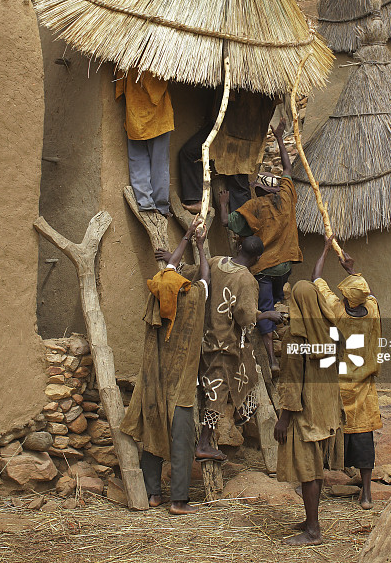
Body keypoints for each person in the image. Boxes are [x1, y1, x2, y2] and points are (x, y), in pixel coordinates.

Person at [120, 217, 208, 515]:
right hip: (181, 387)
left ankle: (153, 494)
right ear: (184, 286)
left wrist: (180, 243)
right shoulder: (193, 299)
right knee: (181, 442)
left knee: (153, 435)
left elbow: (167, 274)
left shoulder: (157, 297)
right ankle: (179, 501)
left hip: (154, 383)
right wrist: (198, 244)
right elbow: (205, 276)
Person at [220, 118, 302, 373]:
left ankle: (272, 358)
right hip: (285, 266)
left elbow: (227, 222)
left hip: (265, 267)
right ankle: (276, 306)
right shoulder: (286, 198)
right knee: (277, 296)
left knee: (264, 308)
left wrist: (223, 202)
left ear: (259, 191)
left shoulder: (255, 207)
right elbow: (287, 170)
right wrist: (279, 138)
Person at [311, 235, 382, 510]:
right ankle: (366, 494)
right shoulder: (373, 312)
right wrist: (353, 271)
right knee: (364, 438)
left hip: (338, 385)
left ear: (345, 297)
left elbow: (316, 277)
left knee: (327, 432)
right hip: (363, 386)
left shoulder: (337, 310)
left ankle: (315, 484)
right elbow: (371, 293)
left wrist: (326, 249)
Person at [196, 235, 282, 461]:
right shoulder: (246, 280)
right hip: (223, 343)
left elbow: (197, 273)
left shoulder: (216, 262)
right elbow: (245, 317)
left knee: (227, 379)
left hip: (204, 336)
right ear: (258, 258)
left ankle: (242, 412)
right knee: (218, 390)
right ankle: (204, 442)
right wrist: (267, 314)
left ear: (239, 246)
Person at [274, 274, 345, 546]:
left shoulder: (296, 336)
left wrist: (284, 418)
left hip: (305, 412)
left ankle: (313, 530)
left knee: (308, 471)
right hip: (326, 409)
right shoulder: (331, 332)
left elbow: (292, 382)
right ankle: (310, 519)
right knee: (315, 468)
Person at [179, 89, 275, 214]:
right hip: (234, 129)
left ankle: (242, 223)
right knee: (238, 178)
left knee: (238, 176)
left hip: (237, 132)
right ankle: (242, 222)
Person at [115, 69, 174, 215]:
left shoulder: (125, 63)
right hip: (159, 119)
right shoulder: (155, 62)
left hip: (135, 117)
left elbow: (119, 89)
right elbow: (156, 91)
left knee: (138, 161)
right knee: (159, 163)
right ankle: (161, 206)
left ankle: (145, 202)